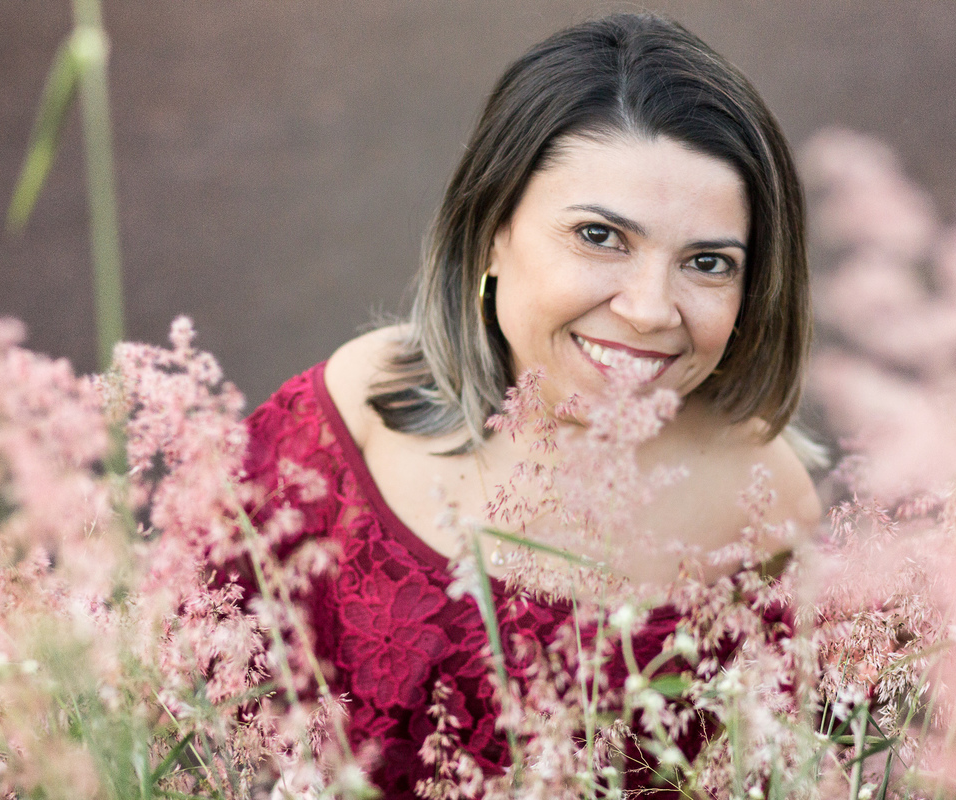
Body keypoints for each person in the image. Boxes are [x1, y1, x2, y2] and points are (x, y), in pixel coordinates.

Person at [242, 11, 820, 796]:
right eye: (600, 236)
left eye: (708, 262)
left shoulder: (764, 500)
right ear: (490, 232)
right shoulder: (357, 416)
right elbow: (177, 715)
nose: (651, 309)